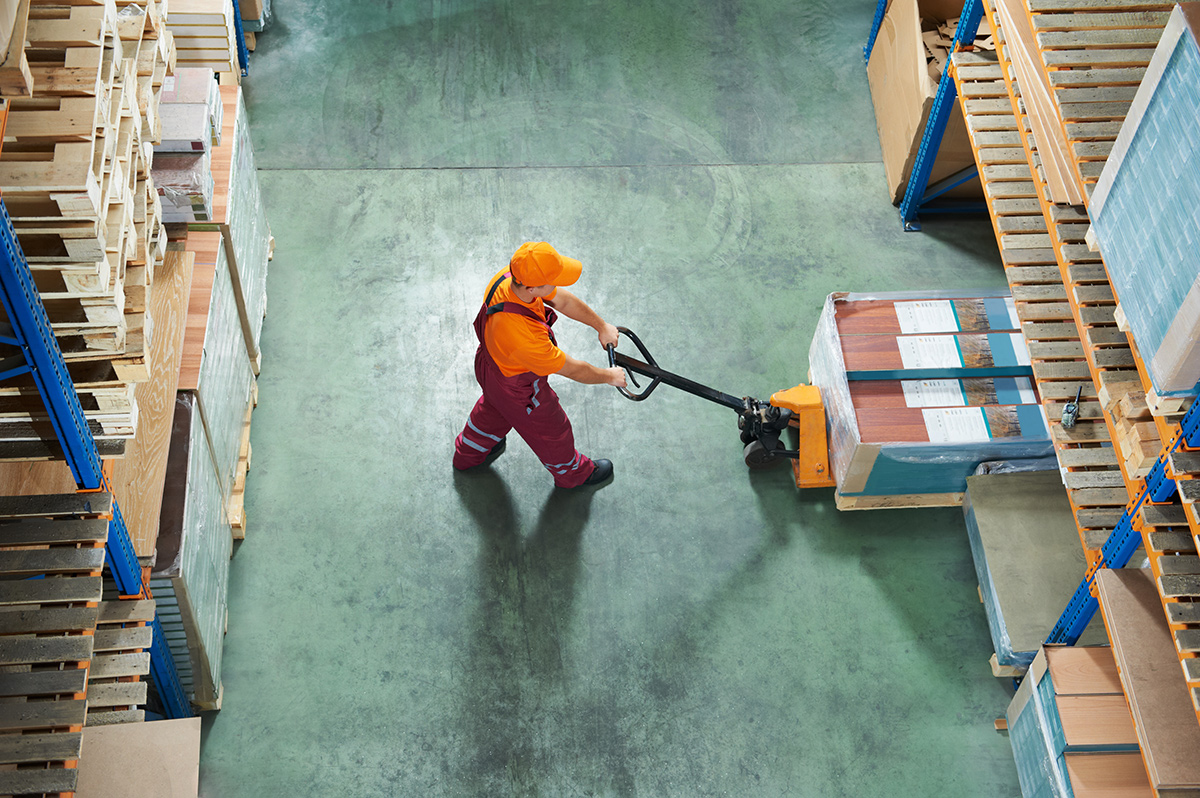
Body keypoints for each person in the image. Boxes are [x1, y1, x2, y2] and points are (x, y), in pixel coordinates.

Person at [453, 241, 627, 489]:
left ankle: (467, 454)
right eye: (552, 280)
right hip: (519, 392)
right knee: (552, 432)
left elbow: (562, 301)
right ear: (533, 288)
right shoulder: (526, 340)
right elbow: (574, 369)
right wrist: (609, 376)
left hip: (490, 366)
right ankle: (573, 475)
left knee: (493, 409)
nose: (556, 285)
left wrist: (601, 326)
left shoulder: (508, 277)